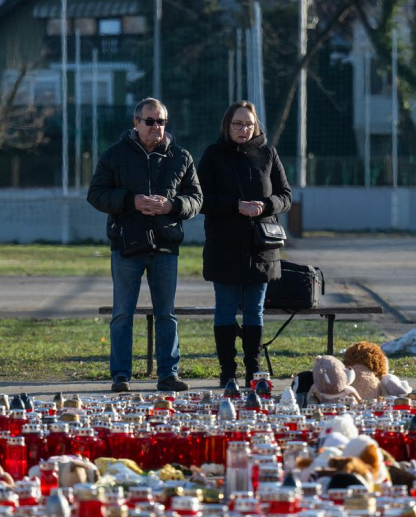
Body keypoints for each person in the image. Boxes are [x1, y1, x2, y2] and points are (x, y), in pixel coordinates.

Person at [87, 97, 202, 393]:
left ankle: (168, 375)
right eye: (149, 121)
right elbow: (96, 194)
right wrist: (131, 201)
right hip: (127, 245)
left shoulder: (180, 156)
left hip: (165, 246)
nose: (156, 127)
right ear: (136, 123)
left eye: (161, 121)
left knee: (166, 314)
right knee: (123, 314)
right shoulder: (114, 155)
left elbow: (196, 199)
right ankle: (121, 376)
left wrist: (172, 206)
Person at [197, 101, 292, 388]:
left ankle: (254, 371)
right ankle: (228, 373)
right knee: (225, 308)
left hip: (260, 247)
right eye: (237, 124)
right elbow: (201, 198)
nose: (243, 129)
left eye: (248, 124)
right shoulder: (213, 155)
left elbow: (285, 195)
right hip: (224, 245)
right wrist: (235, 206)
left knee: (254, 310)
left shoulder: (268, 153)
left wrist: (264, 205)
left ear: (256, 126)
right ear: (227, 125)